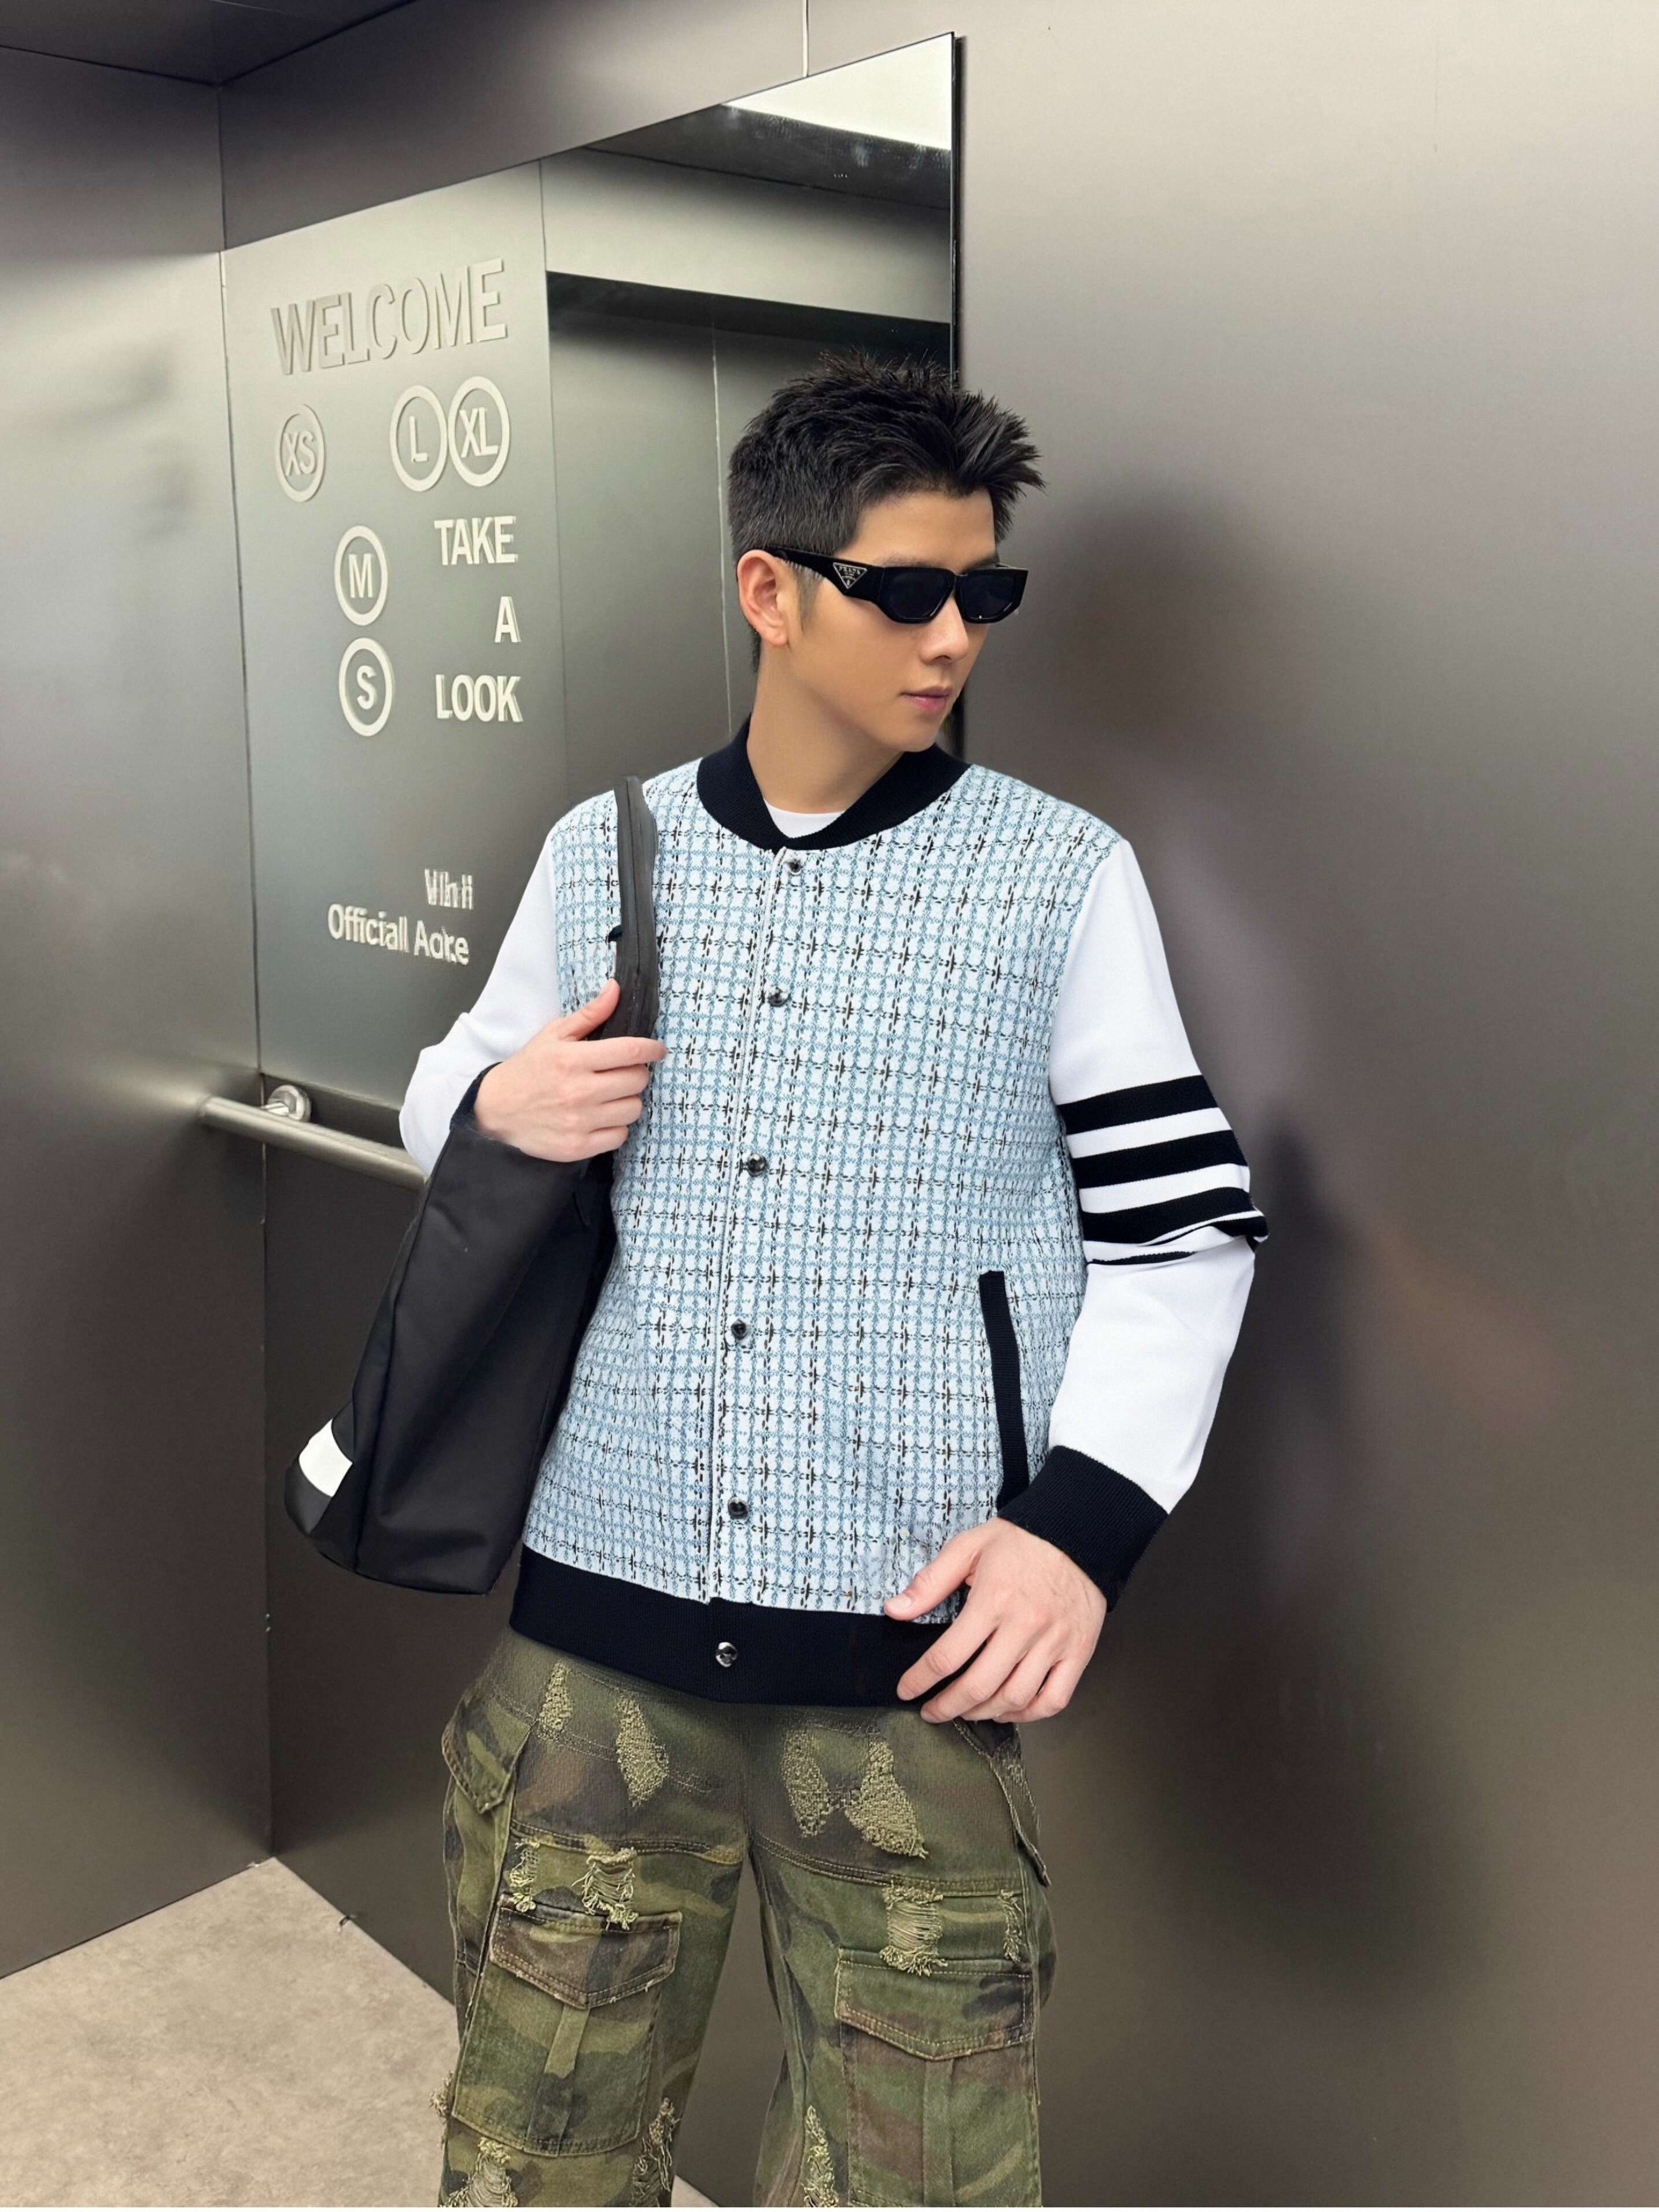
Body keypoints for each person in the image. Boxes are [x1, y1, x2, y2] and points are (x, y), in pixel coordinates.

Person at [400, 348, 1267, 2209]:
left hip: (903, 1654)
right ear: (769, 591)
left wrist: (1079, 1526)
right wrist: (494, 1102)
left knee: (915, 2181)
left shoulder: (1057, 876)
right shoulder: (601, 849)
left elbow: (1180, 1230)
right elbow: (450, 1086)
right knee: (534, 2150)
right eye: (903, 590)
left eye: (984, 593)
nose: (952, 637)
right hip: (591, 1633)